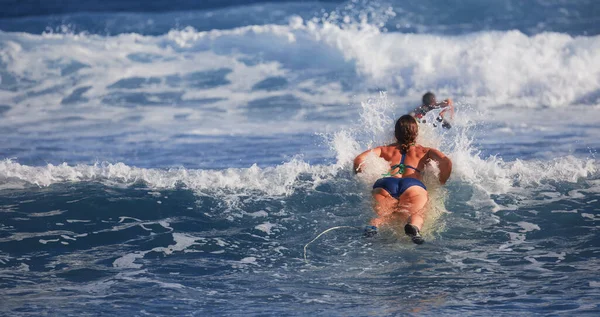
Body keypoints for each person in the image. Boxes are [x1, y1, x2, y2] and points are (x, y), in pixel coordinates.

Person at [353, 115, 452, 244]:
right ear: (416, 133)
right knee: (417, 213)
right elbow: (447, 162)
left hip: (386, 183)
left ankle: (374, 226)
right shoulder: (424, 151)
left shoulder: (385, 149)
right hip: (413, 185)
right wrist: (441, 180)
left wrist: (359, 174)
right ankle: (414, 228)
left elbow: (359, 160)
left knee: (382, 216)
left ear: (395, 133)